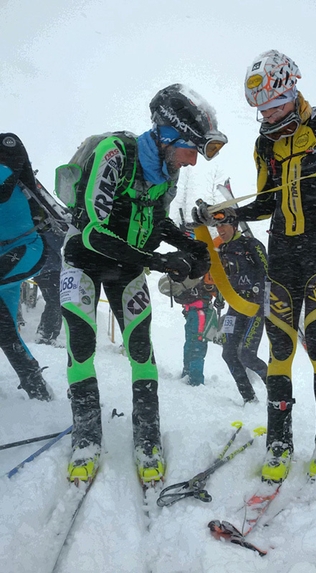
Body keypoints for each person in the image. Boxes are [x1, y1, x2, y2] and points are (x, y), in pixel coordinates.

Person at [192, 50, 316, 482]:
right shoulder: (264, 144)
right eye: (260, 108)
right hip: (283, 255)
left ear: (291, 90)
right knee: (279, 350)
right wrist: (226, 215)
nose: (266, 114)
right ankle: (279, 441)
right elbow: (265, 202)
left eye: (273, 104)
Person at [57, 84, 227, 485]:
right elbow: (94, 231)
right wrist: (158, 260)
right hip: (83, 260)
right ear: (169, 136)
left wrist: (190, 245)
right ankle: (86, 436)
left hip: (127, 268)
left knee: (141, 349)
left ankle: (147, 436)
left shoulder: (165, 173)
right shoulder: (114, 154)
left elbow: (156, 220)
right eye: (191, 150)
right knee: (81, 345)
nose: (192, 162)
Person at [0, 133, 53, 401]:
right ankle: (39, 391)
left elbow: (3, 188)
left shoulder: (6, 145)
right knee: (5, 330)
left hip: (27, 249)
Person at [215, 221, 268, 404]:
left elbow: (268, 273)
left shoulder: (251, 244)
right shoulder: (222, 250)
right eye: (217, 227)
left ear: (234, 226)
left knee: (247, 355)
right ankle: (249, 398)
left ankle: (275, 391)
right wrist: (220, 297)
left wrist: (264, 302)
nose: (220, 230)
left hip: (256, 307)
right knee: (228, 354)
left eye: (224, 226)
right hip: (235, 306)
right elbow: (223, 276)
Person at [158, 272, 218, 386]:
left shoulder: (192, 270)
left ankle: (188, 374)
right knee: (197, 345)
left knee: (191, 344)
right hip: (200, 312)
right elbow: (218, 291)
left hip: (192, 311)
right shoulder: (205, 272)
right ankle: (195, 380)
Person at [33, 228, 65, 346]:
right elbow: (58, 242)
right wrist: (64, 233)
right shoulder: (45, 230)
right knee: (56, 302)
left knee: (53, 302)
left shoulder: (36, 230)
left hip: (42, 270)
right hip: (49, 270)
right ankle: (46, 334)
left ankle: (46, 333)